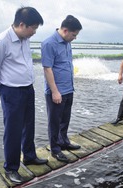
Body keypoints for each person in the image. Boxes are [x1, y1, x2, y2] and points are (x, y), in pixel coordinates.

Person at [0, 7, 47, 185]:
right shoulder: (2, 41)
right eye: (33, 28)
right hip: (11, 91)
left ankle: (29, 156)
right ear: (21, 24)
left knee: (29, 125)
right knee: (12, 131)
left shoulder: (24, 38)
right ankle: (11, 168)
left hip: (28, 89)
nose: (34, 32)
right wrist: (4, 92)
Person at [41, 15, 82, 163]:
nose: (75, 38)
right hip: (56, 92)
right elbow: (47, 69)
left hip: (68, 89)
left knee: (65, 119)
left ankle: (64, 141)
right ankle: (55, 149)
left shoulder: (66, 42)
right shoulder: (49, 43)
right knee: (54, 122)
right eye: (74, 35)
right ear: (65, 30)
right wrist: (55, 91)